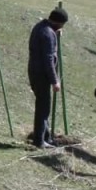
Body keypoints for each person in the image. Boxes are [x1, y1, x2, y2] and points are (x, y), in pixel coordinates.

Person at [27, 8, 68, 149]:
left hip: (34, 71)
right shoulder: (48, 34)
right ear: (58, 22)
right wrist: (54, 80)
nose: (62, 27)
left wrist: (55, 35)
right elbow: (48, 59)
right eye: (62, 24)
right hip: (42, 75)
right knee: (43, 108)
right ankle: (39, 141)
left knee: (43, 106)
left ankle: (46, 136)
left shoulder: (41, 27)